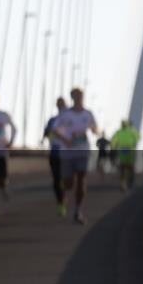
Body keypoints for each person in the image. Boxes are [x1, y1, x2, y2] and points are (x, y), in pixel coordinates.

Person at [53, 87, 99, 224]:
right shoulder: (65, 114)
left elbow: (95, 127)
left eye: (81, 96)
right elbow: (55, 130)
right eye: (76, 96)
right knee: (69, 183)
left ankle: (78, 211)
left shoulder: (88, 114)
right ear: (72, 97)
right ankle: (65, 195)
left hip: (83, 151)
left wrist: (95, 130)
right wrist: (65, 139)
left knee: (81, 179)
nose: (79, 98)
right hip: (67, 152)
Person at [42, 98, 68, 215]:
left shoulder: (70, 119)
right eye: (59, 105)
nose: (61, 107)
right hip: (55, 152)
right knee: (57, 180)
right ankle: (61, 203)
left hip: (68, 153)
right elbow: (46, 133)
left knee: (66, 179)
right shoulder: (52, 120)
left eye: (62, 104)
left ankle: (63, 197)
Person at [111, 120, 140, 191]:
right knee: (123, 167)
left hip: (129, 150)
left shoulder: (131, 131)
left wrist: (113, 147)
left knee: (129, 166)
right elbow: (114, 140)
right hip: (124, 150)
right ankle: (123, 183)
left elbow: (137, 137)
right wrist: (113, 147)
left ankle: (129, 180)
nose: (124, 124)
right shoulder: (120, 131)